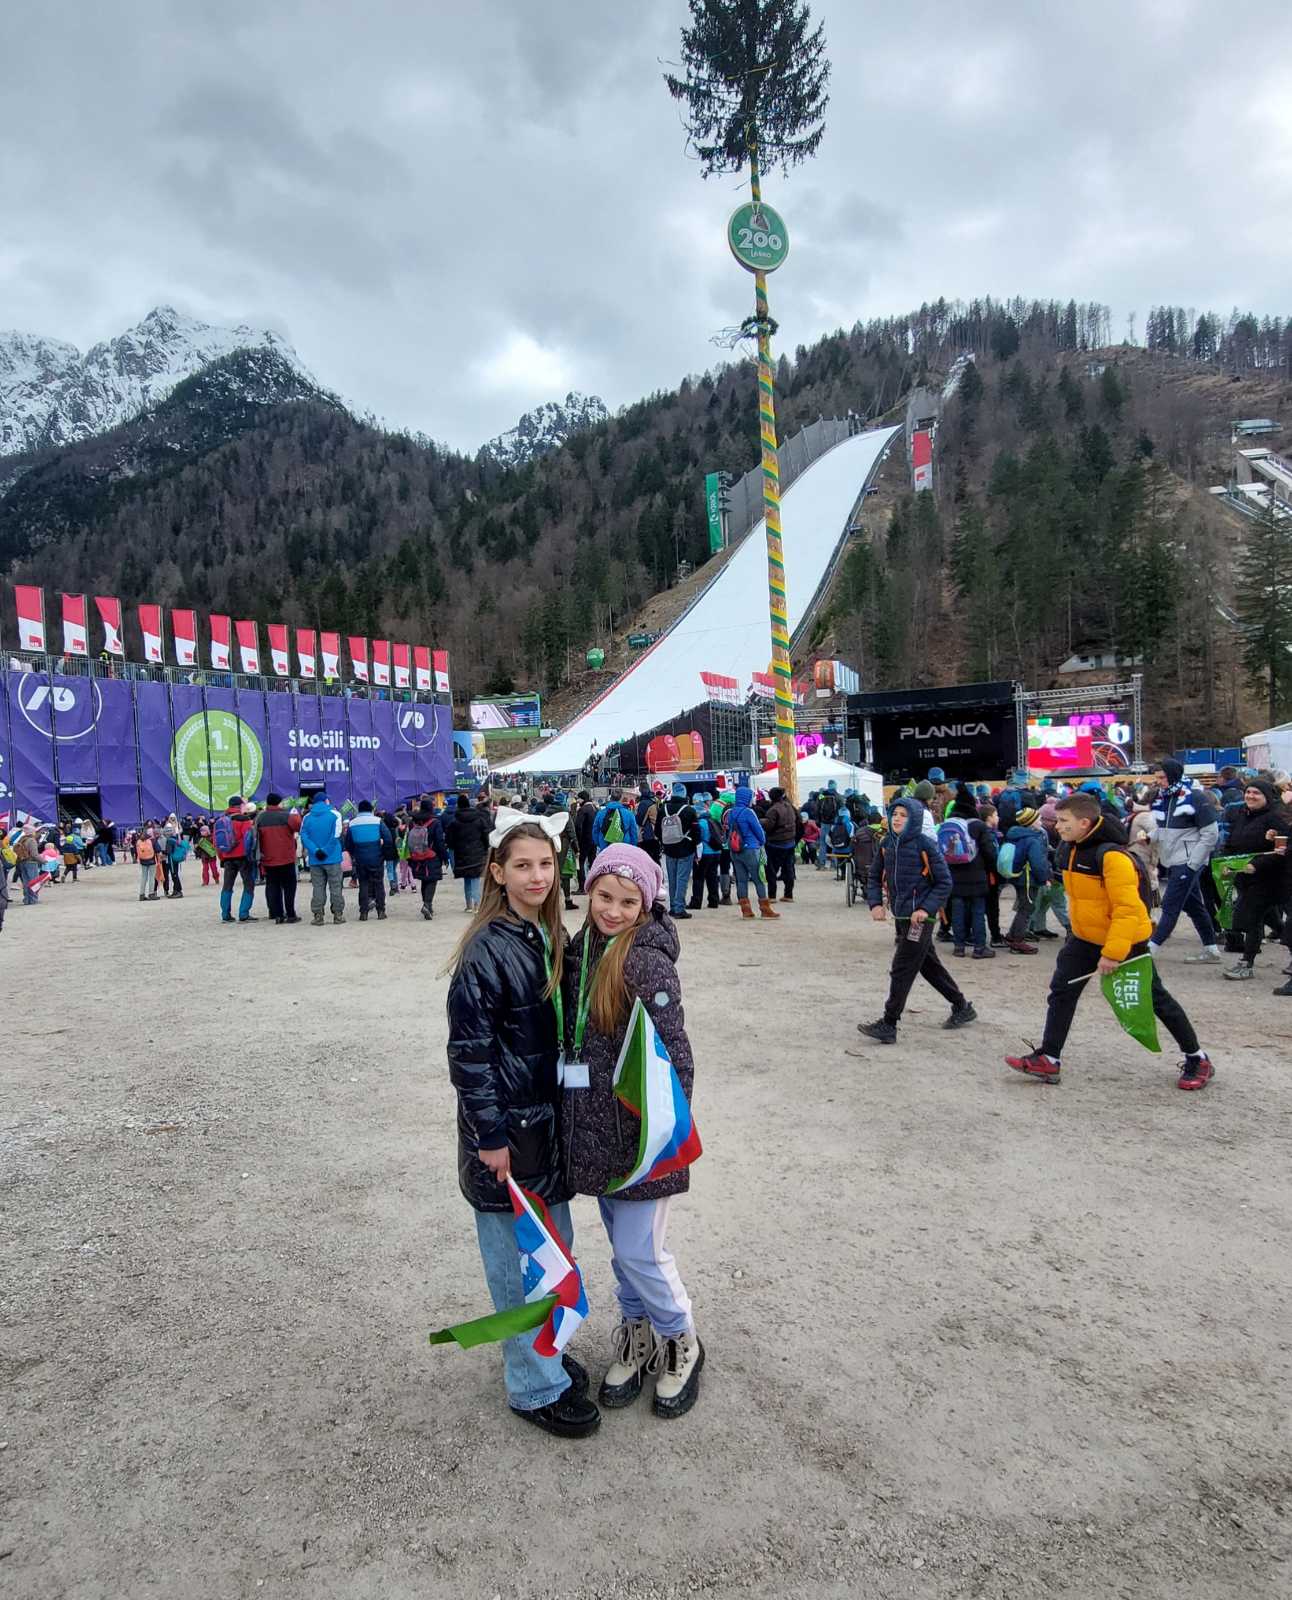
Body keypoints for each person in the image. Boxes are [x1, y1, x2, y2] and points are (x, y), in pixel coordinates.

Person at [445, 805, 598, 1439]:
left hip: (546, 1130)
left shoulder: (547, 934)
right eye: (523, 866)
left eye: (545, 864)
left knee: (552, 1255)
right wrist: (490, 1137)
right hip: (508, 1138)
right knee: (519, 1268)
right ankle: (533, 1387)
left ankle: (546, 1357)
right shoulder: (487, 950)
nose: (537, 876)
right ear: (498, 873)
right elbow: (469, 1054)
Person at [562, 844, 703, 1417]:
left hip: (643, 1140)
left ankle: (681, 1340)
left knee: (640, 1251)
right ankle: (636, 1331)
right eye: (604, 897)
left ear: (645, 906)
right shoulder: (582, 948)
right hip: (598, 1134)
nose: (613, 911)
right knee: (625, 1252)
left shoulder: (646, 962)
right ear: (590, 891)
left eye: (627, 902)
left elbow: (676, 1055)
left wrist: (663, 1137)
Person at [1005, 792, 1214, 1090]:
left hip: (1125, 940)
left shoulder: (1112, 857)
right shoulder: (1069, 847)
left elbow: (1128, 910)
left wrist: (1113, 953)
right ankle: (1049, 1058)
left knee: (1155, 998)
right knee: (1062, 992)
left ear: (1084, 822)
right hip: (1083, 939)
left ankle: (1197, 1058)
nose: (1056, 825)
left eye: (1063, 820)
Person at [858, 797, 976, 1042]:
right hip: (902, 916)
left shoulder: (925, 845)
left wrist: (924, 909)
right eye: (895, 814)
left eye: (903, 815)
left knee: (902, 967)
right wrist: (875, 903)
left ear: (914, 819)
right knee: (928, 965)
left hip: (920, 920)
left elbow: (944, 882)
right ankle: (961, 1005)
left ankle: (889, 1023)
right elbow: (874, 876)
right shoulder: (886, 843)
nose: (897, 819)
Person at [1145, 758, 1222, 964]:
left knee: (1170, 905)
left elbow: (1211, 834)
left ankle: (1149, 951)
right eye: (1157, 777)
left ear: (1172, 776)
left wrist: (1193, 864)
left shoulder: (1195, 797)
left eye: (1162, 777)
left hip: (1187, 862)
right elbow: (1165, 829)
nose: (1158, 781)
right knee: (1194, 906)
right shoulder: (1167, 797)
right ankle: (1212, 950)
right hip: (1175, 860)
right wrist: (1149, 837)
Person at [1222, 779, 1291, 982]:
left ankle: (1246, 963)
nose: (1250, 796)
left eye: (1256, 793)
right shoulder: (1242, 815)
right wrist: (1225, 861)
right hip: (1245, 878)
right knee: (1268, 921)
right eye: (1248, 792)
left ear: (1267, 797)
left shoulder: (1275, 818)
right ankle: (1249, 962)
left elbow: (1282, 850)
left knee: (1251, 918)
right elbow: (1232, 842)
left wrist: (1256, 865)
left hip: (1270, 879)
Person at [939, 788, 996, 958]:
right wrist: (991, 870)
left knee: (958, 912)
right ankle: (979, 948)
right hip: (977, 876)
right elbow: (989, 852)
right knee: (978, 912)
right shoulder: (978, 825)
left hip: (954, 876)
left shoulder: (949, 824)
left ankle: (959, 947)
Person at [998, 805, 1050, 954]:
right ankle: (1018, 941)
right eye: (1038, 819)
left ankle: (1012, 935)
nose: (1041, 822)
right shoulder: (1032, 840)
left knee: (1023, 907)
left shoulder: (1015, 835)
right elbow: (1037, 863)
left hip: (1017, 876)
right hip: (1028, 878)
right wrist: (1044, 878)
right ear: (1031, 822)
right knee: (1027, 909)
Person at [726, 785, 776, 920]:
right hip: (751, 849)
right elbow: (758, 830)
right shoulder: (749, 812)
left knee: (741, 880)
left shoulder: (731, 812)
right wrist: (762, 841)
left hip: (735, 850)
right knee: (759, 879)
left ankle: (746, 910)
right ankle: (765, 909)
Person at [256, 793, 303, 924]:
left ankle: (278, 915)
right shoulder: (286, 816)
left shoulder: (260, 817)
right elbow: (298, 826)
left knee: (273, 886)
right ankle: (291, 914)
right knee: (289, 887)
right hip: (286, 857)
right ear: (279, 802)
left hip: (268, 859)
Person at [300, 790, 346, 926]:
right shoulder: (335, 814)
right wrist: (326, 851)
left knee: (318, 887)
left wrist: (315, 850)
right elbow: (336, 835)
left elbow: (304, 836)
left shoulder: (307, 817)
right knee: (336, 887)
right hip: (332, 857)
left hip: (315, 859)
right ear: (326, 801)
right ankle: (338, 915)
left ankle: (318, 915)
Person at [344, 800, 394, 922]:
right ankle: (381, 911)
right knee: (378, 884)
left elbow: (348, 844)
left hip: (360, 859)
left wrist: (355, 854)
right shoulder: (378, 821)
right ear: (371, 809)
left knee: (363, 884)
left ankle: (363, 912)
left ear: (359, 810)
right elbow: (388, 838)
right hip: (376, 858)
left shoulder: (352, 823)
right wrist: (383, 852)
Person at [445, 791, 493, 911]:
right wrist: (485, 847)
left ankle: (468, 905)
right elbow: (485, 835)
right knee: (475, 878)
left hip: (461, 854)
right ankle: (477, 904)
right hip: (478, 852)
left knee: (467, 879)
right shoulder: (479, 819)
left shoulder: (454, 822)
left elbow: (449, 841)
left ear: (458, 805)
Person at [659, 784, 700, 919]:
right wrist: (696, 847)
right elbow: (696, 832)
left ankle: (672, 906)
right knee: (682, 879)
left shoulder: (663, 808)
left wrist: (665, 842)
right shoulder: (689, 810)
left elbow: (658, 830)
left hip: (669, 848)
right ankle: (679, 908)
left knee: (672, 879)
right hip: (686, 848)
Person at [213, 796, 258, 923]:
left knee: (227, 886)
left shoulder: (220, 820)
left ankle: (225, 914)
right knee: (248, 884)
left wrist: (222, 857)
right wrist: (251, 856)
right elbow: (249, 839)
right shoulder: (244, 819)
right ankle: (243, 913)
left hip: (227, 857)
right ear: (240, 806)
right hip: (243, 856)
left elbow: (216, 842)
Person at [407, 806, 448, 920]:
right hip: (431, 856)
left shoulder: (413, 822)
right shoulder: (435, 823)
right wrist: (444, 857)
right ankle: (427, 904)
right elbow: (439, 841)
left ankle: (427, 905)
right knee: (432, 880)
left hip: (416, 856)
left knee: (425, 880)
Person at [762, 786, 799, 903]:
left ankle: (772, 896)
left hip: (775, 844)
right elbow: (798, 820)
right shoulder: (789, 806)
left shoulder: (773, 810)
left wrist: (760, 821)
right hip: (790, 842)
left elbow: (769, 826)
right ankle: (788, 894)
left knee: (771, 870)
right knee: (788, 869)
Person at [688, 796, 722, 911]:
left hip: (704, 853)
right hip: (716, 852)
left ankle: (696, 902)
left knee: (698, 878)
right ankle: (714, 901)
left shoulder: (700, 823)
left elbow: (698, 840)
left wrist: (697, 855)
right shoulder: (714, 821)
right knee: (712, 877)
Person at [593, 789, 639, 853]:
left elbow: (595, 831)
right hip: (624, 847)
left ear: (610, 798)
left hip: (605, 847)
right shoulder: (629, 814)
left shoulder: (600, 813)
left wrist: (600, 844)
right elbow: (634, 833)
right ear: (621, 799)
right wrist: (631, 847)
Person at [814, 782, 841, 870]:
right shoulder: (838, 796)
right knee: (834, 843)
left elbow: (817, 808)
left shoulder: (822, 795)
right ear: (835, 786)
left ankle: (821, 864)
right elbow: (841, 809)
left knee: (823, 843)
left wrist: (818, 821)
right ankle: (834, 864)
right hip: (834, 823)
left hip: (824, 823)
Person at [574, 791, 598, 889]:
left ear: (582, 799)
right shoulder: (595, 809)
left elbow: (578, 826)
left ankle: (582, 886)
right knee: (592, 862)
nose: (577, 801)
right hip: (594, 839)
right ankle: (594, 884)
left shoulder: (583, 810)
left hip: (584, 839)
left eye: (578, 799)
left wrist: (578, 840)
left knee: (580, 861)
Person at [135, 824, 159, 904]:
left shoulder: (139, 841)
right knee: (151, 877)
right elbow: (158, 850)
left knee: (143, 877)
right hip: (152, 860)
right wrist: (158, 860)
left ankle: (141, 894)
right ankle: (151, 893)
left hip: (142, 861)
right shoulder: (153, 841)